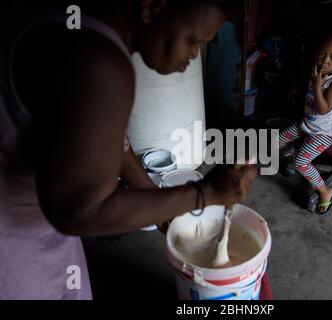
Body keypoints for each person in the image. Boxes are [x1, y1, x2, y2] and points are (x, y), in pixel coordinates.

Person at [0, 0, 257, 299]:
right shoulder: (98, 61)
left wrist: (153, 198)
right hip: (12, 245)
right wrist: (204, 194)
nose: (193, 54)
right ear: (153, 7)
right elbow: (78, 211)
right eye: (193, 40)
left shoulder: (76, 22)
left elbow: (99, 134)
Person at [278, 35, 332, 215]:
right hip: (308, 124)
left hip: (325, 132)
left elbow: (323, 109)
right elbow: (307, 89)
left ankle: (326, 192)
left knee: (302, 163)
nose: (325, 60)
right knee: (275, 142)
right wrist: (300, 88)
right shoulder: (317, 69)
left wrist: (317, 85)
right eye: (321, 54)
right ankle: (291, 157)